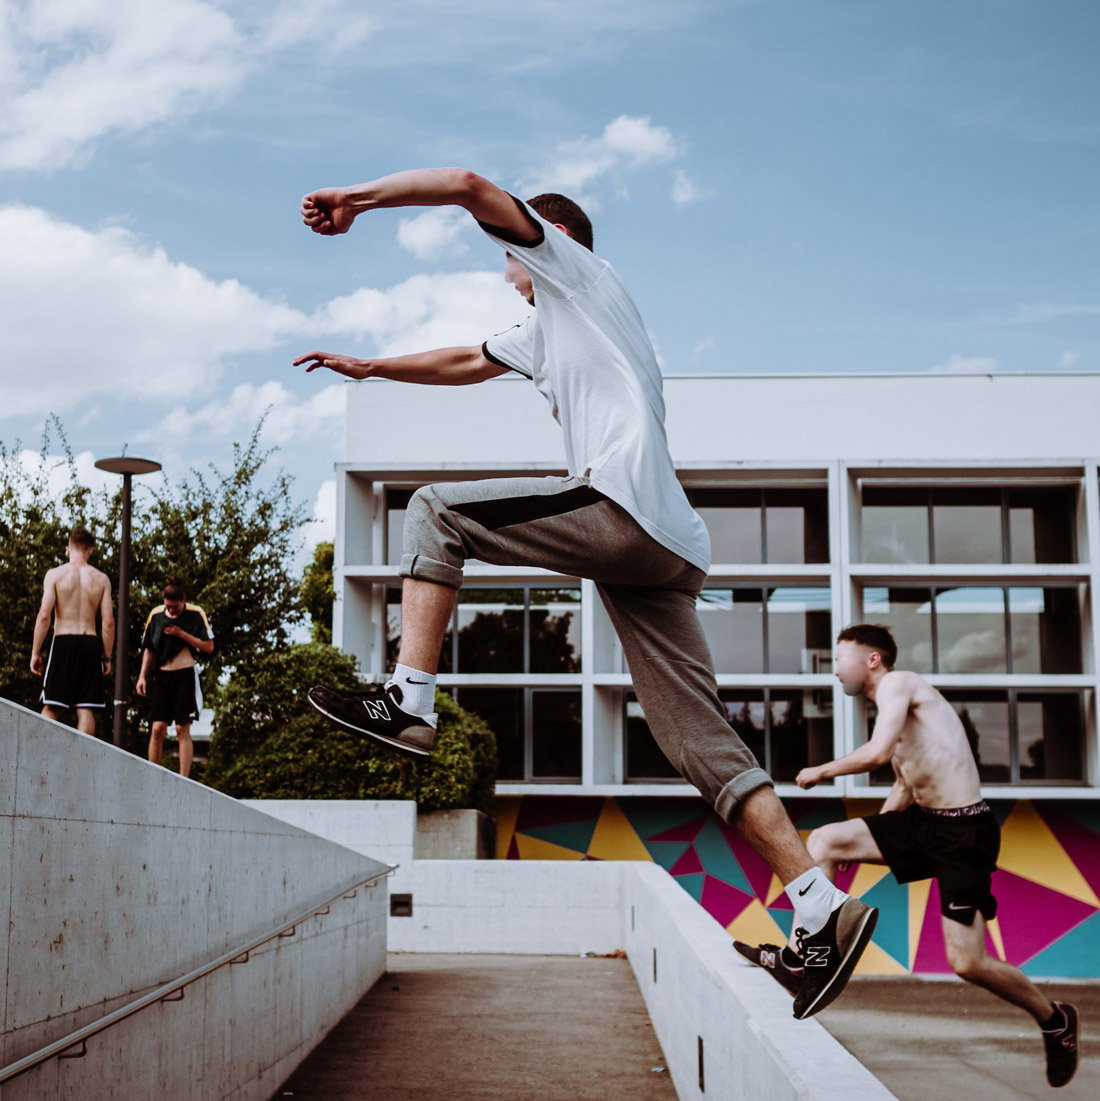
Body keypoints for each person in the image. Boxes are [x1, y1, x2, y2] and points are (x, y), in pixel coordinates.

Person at [294, 166, 877, 1020]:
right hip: (664, 550)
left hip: (622, 509)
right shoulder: (548, 329)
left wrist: (356, 200)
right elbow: (464, 358)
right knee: (696, 743)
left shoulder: (575, 273)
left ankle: (406, 698)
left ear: (542, 241)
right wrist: (373, 367)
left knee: (433, 512)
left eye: (509, 259)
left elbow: (464, 182)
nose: (505, 273)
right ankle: (820, 911)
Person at [735, 624, 1079, 1087]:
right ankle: (802, 961)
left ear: (872, 660)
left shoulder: (902, 683)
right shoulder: (891, 708)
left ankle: (1054, 1019)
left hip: (964, 833)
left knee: (968, 963)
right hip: (922, 822)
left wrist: (823, 770)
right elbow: (903, 783)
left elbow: (877, 755)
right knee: (825, 843)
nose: (834, 670)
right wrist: (871, 837)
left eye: (840, 659)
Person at [30, 526, 115, 736]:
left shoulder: (55, 575)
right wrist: (107, 657)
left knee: (51, 705)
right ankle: (83, 766)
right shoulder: (101, 579)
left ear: (68, 548)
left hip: (63, 641)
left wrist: (35, 652)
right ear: (90, 550)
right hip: (90, 643)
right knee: (85, 708)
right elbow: (108, 622)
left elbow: (43, 616)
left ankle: (40, 758)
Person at [136, 578, 213, 779]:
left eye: (175, 607)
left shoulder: (195, 614)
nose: (171, 610)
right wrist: (142, 676)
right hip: (162, 675)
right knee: (157, 727)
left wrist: (182, 634)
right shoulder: (156, 615)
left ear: (182, 601)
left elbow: (209, 646)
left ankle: (183, 777)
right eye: (168, 606)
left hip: (184, 674)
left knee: (181, 728)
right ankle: (153, 774)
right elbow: (149, 648)